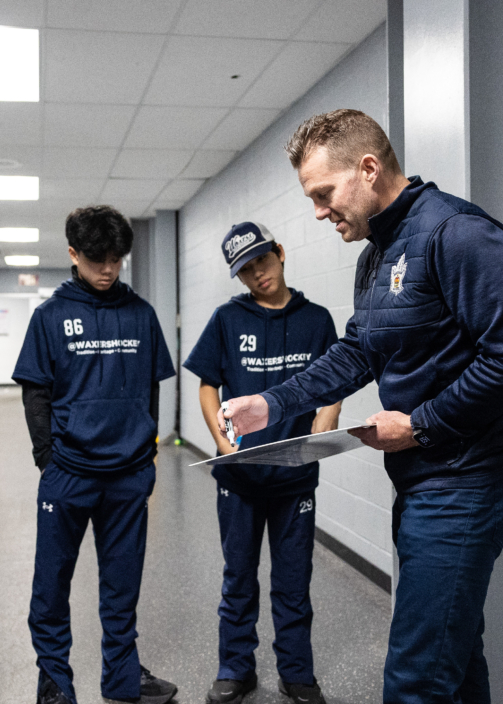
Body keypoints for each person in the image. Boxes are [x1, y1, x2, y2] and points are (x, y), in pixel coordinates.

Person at [220, 109, 503, 704]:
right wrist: (270, 406)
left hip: (467, 481)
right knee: (455, 652)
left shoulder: (457, 234)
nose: (319, 212)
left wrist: (422, 423)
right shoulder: (376, 253)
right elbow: (358, 352)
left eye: (324, 193)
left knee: (415, 680)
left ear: (368, 169)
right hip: (424, 478)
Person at [12, 205, 179, 704]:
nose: (108, 269)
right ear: (73, 254)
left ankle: (122, 678)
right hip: (68, 474)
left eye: (116, 259)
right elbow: (35, 394)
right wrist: (49, 459)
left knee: (122, 586)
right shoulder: (50, 317)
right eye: (96, 259)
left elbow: (150, 389)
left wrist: (147, 452)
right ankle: (55, 683)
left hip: (127, 475)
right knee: (51, 587)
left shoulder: (141, 314)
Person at [183, 221, 341, 704]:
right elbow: (208, 384)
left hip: (295, 478)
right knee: (239, 578)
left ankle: (296, 673)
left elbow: (335, 380)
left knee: (294, 582)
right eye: (246, 271)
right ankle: (236, 667)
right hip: (240, 477)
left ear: (281, 253)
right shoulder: (227, 320)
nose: (258, 275)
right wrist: (223, 440)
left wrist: (327, 419)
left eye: (263, 262)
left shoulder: (317, 320)